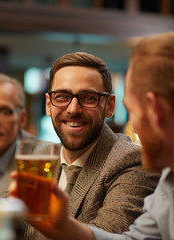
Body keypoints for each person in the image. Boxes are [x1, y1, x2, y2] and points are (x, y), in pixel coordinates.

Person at [10, 33, 174, 240]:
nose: (73, 109)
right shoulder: (169, 183)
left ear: (154, 109)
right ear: (48, 104)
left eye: (132, 111)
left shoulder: (132, 161)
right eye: (62, 97)